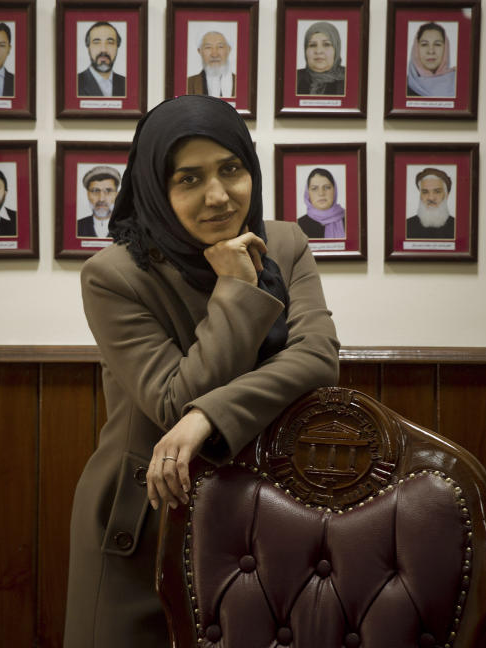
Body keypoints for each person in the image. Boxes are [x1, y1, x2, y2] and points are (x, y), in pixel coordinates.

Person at [64, 95, 339, 647]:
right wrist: (237, 286)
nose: (218, 196)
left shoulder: (284, 243)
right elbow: (170, 399)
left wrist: (203, 420)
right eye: (189, 179)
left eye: (232, 170)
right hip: (147, 518)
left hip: (273, 510)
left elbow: (317, 359)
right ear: (156, 188)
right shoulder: (114, 275)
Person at [77, 21, 126, 97]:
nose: (103, 49)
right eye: (96, 42)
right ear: (88, 47)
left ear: (117, 47)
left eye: (110, 42)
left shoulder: (127, 84)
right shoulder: (74, 84)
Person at [407, 22, 456, 97]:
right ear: (416, 49)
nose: (431, 51)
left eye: (437, 44)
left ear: (446, 49)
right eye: (424, 44)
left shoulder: (457, 82)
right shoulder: (404, 86)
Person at [296, 22, 345, 95]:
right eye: (312, 45)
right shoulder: (293, 78)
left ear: (336, 49)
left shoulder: (351, 79)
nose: (318, 51)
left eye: (326, 44)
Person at [297, 168, 345, 238]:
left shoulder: (351, 221)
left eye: (327, 187)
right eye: (314, 188)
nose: (321, 193)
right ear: (308, 194)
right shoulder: (298, 226)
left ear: (334, 191)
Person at [407, 167, 454, 239]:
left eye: (437, 191)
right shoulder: (407, 226)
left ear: (446, 195)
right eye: (425, 192)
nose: (431, 198)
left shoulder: (457, 227)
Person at [186, 30, 236, 97]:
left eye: (220, 47)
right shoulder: (188, 83)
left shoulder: (239, 83)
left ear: (229, 49)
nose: (214, 54)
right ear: (199, 51)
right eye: (208, 47)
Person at [77, 166, 120, 238]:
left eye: (108, 191)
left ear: (117, 195)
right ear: (88, 194)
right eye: (95, 191)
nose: (101, 199)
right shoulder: (77, 227)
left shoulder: (127, 228)